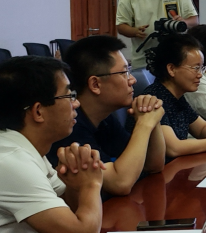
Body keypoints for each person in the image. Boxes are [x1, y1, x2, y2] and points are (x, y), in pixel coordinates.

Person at [0, 57, 104, 233]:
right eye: (69, 96)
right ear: (38, 112)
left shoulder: (20, 147)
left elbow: (69, 212)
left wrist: (76, 183)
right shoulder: (9, 163)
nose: (76, 104)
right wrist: (91, 183)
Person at [47, 36, 167, 196]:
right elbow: (120, 183)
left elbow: (154, 165)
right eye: (124, 72)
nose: (132, 80)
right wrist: (144, 125)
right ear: (95, 84)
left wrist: (152, 117)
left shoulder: (105, 118)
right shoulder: (70, 127)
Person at [143, 34, 206, 158]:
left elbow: (201, 129)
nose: (200, 75)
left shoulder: (177, 97)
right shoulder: (153, 98)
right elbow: (173, 148)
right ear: (171, 69)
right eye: (195, 68)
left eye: (201, 68)